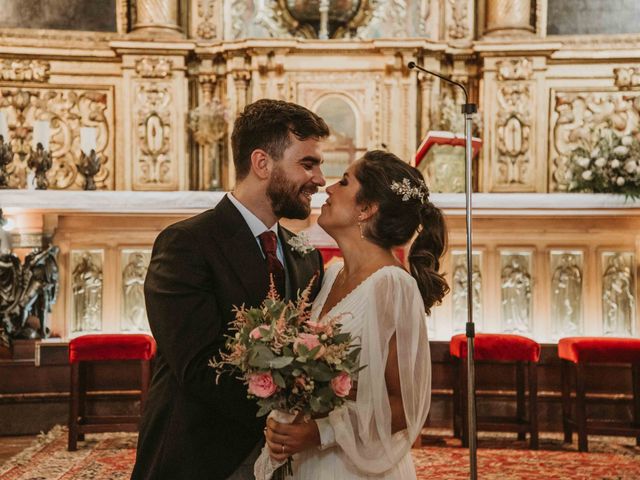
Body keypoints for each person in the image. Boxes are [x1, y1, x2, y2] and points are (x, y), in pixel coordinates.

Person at [131, 99, 330, 480]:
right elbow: (198, 365)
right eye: (308, 163)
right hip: (202, 455)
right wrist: (283, 415)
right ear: (262, 163)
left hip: (286, 458)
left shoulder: (306, 257)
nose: (320, 179)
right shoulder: (187, 244)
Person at [265, 150, 449, 479]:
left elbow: (405, 406)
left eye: (345, 182)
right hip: (310, 463)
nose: (329, 188)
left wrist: (320, 432)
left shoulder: (393, 285)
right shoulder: (332, 274)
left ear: (366, 208)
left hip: (353, 466)